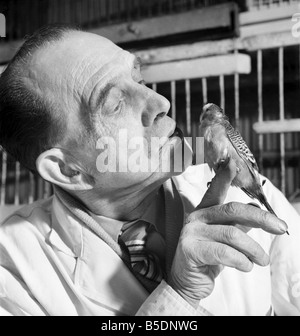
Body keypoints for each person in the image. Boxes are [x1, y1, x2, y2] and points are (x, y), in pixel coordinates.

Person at [0, 25, 299, 316]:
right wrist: (179, 295)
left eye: (139, 80)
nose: (161, 103)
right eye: (115, 104)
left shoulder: (245, 192)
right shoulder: (14, 274)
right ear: (68, 169)